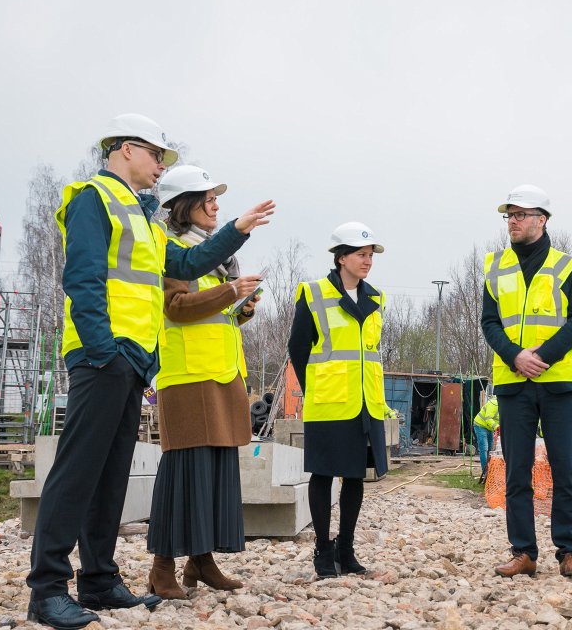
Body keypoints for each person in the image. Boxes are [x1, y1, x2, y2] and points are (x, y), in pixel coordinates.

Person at [26, 114, 275, 630]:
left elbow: (187, 264)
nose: (162, 165)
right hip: (105, 355)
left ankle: (98, 580)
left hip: (134, 359)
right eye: (156, 154)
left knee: (110, 474)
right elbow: (84, 278)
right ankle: (47, 589)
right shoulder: (94, 197)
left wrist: (238, 230)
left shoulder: (142, 219)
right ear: (124, 151)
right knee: (77, 472)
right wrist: (100, 349)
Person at [145, 165, 264, 599]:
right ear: (183, 205)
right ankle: (161, 568)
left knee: (215, 472)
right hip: (187, 376)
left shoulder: (217, 257)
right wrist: (230, 293)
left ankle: (200, 560)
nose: (216, 205)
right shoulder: (172, 250)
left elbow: (212, 312)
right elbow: (176, 307)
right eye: (207, 198)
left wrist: (242, 305)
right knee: (183, 472)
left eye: (216, 198)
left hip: (221, 373)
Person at [480, 184, 572, 579]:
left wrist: (541, 356)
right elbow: (489, 322)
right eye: (509, 215)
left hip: (558, 381)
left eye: (521, 214)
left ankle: (569, 551)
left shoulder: (569, 267)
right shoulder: (494, 266)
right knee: (516, 471)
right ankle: (523, 552)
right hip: (513, 383)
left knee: (565, 469)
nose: (513, 221)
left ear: (541, 220)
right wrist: (515, 356)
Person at [288, 222, 387, 579]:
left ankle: (346, 549)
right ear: (341, 257)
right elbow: (298, 348)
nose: (368, 260)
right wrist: (316, 385)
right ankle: (322, 550)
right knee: (323, 474)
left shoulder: (376, 298)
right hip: (329, 400)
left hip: (365, 402)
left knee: (355, 476)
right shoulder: (313, 293)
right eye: (361, 254)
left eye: (371, 254)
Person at [473, 394, 500, 483]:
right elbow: (488, 418)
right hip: (480, 425)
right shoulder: (494, 403)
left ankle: (490, 470)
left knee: (490, 449)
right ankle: (485, 472)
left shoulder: (506, 406)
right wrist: (497, 427)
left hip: (489, 428)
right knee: (484, 448)